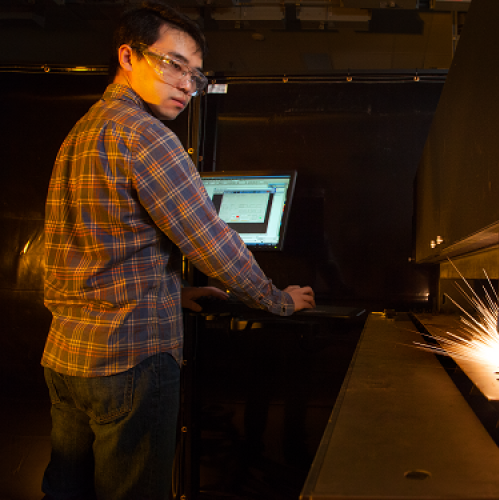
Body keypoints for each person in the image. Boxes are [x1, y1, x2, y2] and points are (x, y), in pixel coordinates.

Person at [40, 2, 315, 499]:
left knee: (67, 491)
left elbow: (87, 247)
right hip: (131, 360)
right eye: (174, 64)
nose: (188, 84)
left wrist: (175, 293)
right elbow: (213, 243)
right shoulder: (147, 137)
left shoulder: (82, 131)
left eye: (196, 74)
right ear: (128, 55)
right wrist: (278, 300)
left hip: (67, 357)